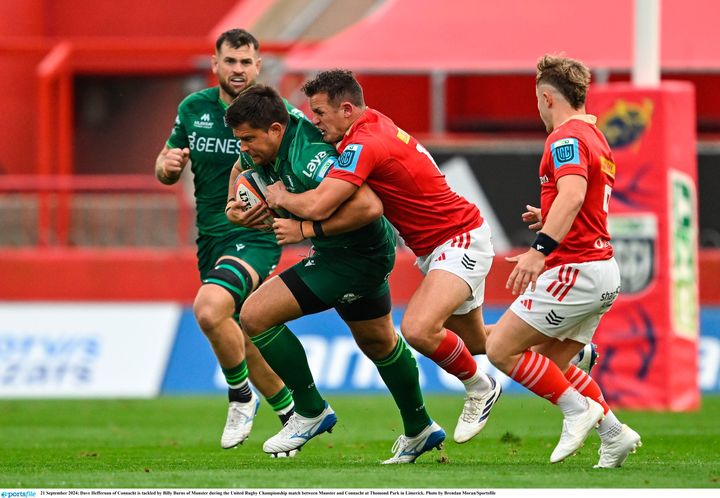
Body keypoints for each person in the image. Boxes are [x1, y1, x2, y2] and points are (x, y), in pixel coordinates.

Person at [263, 69, 501, 445]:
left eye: (320, 113)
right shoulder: (373, 123)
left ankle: (479, 385)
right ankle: (560, 345)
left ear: (345, 109)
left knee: (419, 330)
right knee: (474, 340)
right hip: (444, 243)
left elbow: (323, 202)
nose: (315, 121)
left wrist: (288, 209)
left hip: (457, 240)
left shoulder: (364, 143)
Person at [224, 84, 445, 464]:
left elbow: (368, 206)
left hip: (352, 256)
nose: (243, 147)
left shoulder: (310, 156)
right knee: (378, 342)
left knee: (255, 315)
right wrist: (234, 206)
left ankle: (310, 410)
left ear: (276, 130)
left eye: (248, 139)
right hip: (357, 252)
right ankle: (420, 427)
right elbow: (240, 167)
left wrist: (304, 229)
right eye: (238, 139)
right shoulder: (271, 134)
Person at [483, 54, 641, 467]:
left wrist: (540, 251)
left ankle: (578, 411)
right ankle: (613, 433)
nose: (538, 110)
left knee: (500, 347)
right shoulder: (598, 138)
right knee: (549, 362)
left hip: (576, 268)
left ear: (548, 97)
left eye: (538, 100)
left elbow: (572, 197)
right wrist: (549, 214)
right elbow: (583, 202)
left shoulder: (565, 138)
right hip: (603, 271)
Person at [154, 29, 294, 450]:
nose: (238, 69)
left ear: (258, 66)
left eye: (246, 62)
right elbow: (165, 167)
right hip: (211, 237)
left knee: (210, 310)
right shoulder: (192, 108)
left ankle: (240, 397)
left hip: (255, 234)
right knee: (236, 333)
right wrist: (168, 164)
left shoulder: (278, 114)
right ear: (214, 64)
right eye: (230, 61)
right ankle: (292, 412)